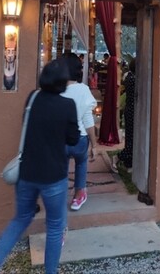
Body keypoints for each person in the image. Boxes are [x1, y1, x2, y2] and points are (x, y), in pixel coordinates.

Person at [0, 59, 80, 274]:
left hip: (27, 171)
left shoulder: (32, 98)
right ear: (63, 81)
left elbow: (26, 124)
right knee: (55, 226)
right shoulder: (67, 106)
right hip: (54, 174)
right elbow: (73, 139)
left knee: (20, 219)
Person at [61, 56, 98, 211]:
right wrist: (94, 145)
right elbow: (88, 120)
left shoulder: (56, 90)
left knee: (62, 167)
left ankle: (60, 196)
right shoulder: (83, 90)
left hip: (61, 140)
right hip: (79, 139)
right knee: (81, 163)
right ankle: (78, 195)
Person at [112, 58, 136, 173]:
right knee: (132, 140)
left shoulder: (130, 77)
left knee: (131, 138)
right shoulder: (133, 79)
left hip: (130, 110)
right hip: (132, 111)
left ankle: (128, 163)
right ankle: (117, 158)